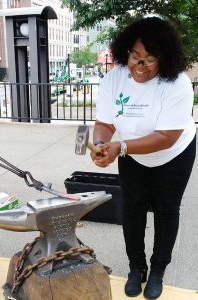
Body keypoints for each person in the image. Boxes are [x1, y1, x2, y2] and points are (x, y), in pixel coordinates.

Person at [91, 16, 196, 299]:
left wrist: (121, 147)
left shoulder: (177, 84)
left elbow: (166, 137)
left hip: (174, 154)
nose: (139, 66)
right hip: (131, 151)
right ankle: (136, 268)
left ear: (164, 57)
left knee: (166, 209)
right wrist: (101, 145)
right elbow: (105, 123)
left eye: (149, 59)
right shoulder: (115, 78)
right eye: (134, 56)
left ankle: (158, 269)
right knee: (132, 209)